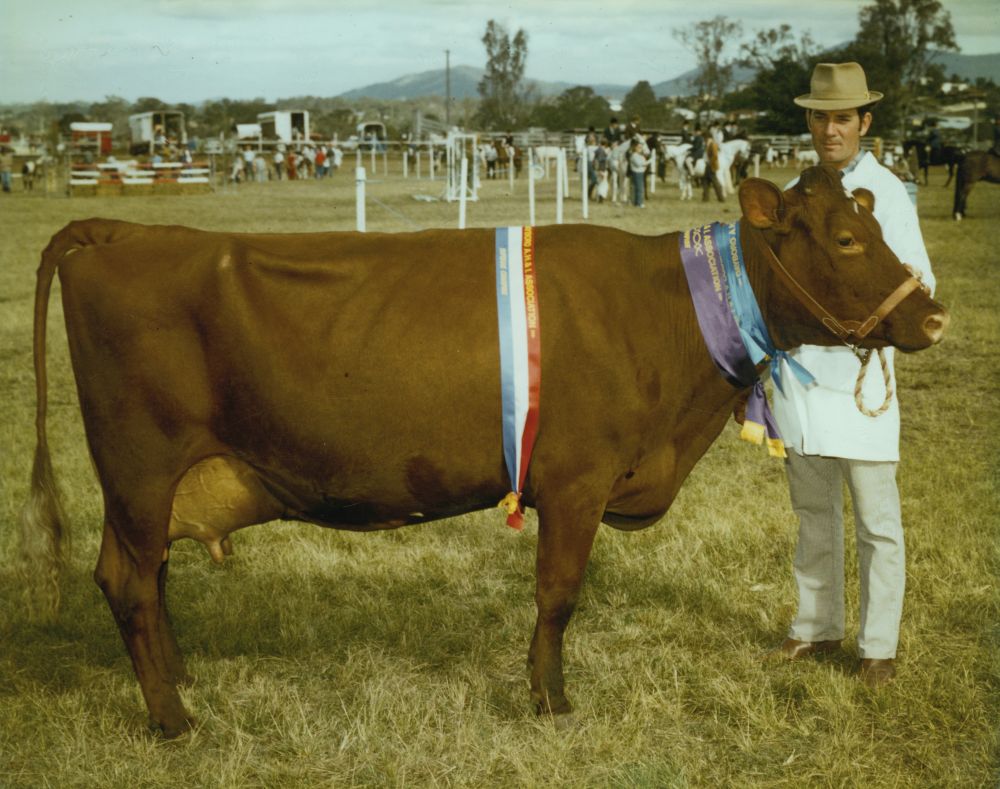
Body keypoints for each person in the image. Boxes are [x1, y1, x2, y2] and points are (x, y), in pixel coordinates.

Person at [764, 62, 936, 688]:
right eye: (820, 118)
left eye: (842, 118)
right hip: (802, 378)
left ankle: (878, 648)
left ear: (864, 121)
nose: (830, 130)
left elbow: (920, 279)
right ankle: (816, 626)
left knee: (876, 520)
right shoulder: (795, 193)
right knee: (813, 512)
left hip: (860, 378)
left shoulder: (885, 190)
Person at [701, 128, 724, 203]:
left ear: (707, 137)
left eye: (704, 138)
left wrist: (710, 163)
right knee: (705, 181)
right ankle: (705, 198)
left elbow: (715, 156)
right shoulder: (708, 144)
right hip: (709, 165)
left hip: (711, 165)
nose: (703, 140)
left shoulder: (713, 144)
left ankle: (721, 198)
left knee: (715, 182)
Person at [628, 140, 647, 207]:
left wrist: (644, 165)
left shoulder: (640, 156)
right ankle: (639, 203)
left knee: (639, 188)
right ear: (635, 148)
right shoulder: (634, 155)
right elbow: (639, 164)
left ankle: (637, 202)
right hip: (636, 173)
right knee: (639, 188)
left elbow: (644, 163)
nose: (640, 149)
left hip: (640, 172)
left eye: (641, 147)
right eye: (639, 147)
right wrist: (647, 162)